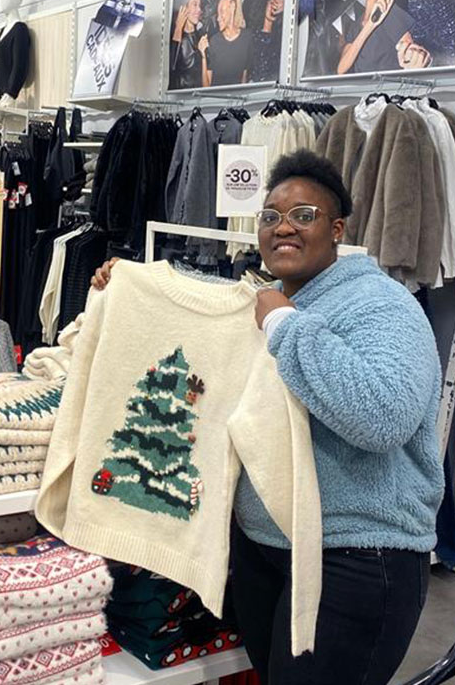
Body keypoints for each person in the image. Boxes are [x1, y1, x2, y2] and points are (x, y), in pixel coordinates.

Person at [91, 149, 443, 685]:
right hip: (266, 550)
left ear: (337, 229)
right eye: (271, 216)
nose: (283, 227)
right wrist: (133, 284)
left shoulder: (382, 304)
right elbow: (210, 309)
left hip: (357, 556)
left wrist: (286, 327)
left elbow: (384, 415)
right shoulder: (269, 297)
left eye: (304, 215)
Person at [337, 0, 431, 74]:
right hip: (362, 85)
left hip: (386, 84)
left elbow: (407, 47)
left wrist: (412, 56)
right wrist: (370, 25)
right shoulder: (355, 26)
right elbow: (341, 69)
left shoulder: (391, 14)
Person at [199, 0, 252, 86]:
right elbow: (206, 86)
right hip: (217, 96)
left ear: (232, 7)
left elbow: (244, 80)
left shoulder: (247, 38)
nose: (218, 18)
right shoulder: (214, 41)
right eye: (217, 14)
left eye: (222, 12)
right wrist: (203, 56)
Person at [170, 0, 204, 89]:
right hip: (181, 95)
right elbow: (171, 68)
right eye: (194, 4)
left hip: (199, 94)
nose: (199, 9)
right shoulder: (174, 35)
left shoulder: (200, 36)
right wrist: (178, 28)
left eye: (200, 5)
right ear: (184, 8)